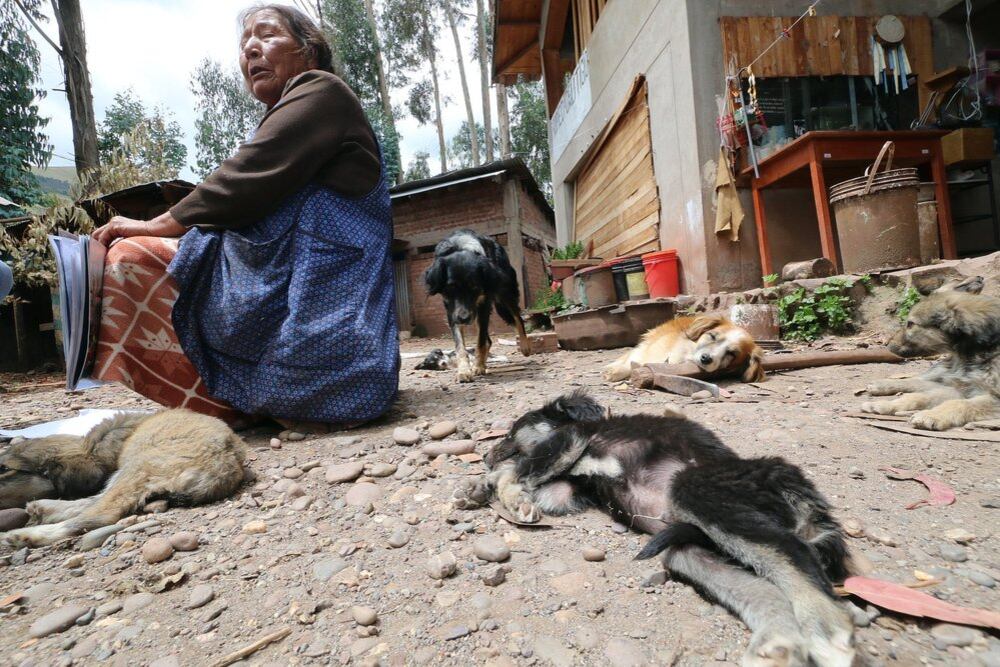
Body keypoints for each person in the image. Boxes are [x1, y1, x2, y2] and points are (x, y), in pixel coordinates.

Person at [90, 4, 399, 427]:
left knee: (131, 257)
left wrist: (157, 224)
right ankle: (243, 405)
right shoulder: (290, 113)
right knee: (148, 260)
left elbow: (242, 177)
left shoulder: (322, 89)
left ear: (309, 50)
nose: (251, 50)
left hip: (329, 305)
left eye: (267, 35)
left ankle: (246, 406)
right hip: (297, 298)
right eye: (244, 44)